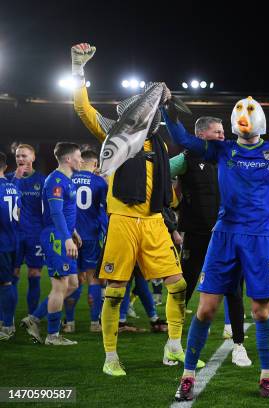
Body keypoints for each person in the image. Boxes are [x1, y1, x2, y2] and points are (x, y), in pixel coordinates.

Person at [162, 91, 269, 400]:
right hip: (225, 235)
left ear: (259, 119)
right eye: (240, 110)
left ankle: (266, 377)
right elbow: (182, 136)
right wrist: (169, 108)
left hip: (260, 238)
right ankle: (188, 375)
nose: (244, 114)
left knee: (261, 312)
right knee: (206, 310)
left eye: (250, 110)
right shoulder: (222, 149)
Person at [70, 42, 198, 376]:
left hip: (154, 222)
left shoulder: (159, 142)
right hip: (123, 221)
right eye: (148, 110)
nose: (151, 115)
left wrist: (171, 222)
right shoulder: (114, 132)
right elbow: (83, 109)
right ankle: (110, 356)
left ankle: (173, 347)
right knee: (114, 289)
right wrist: (78, 70)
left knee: (178, 285)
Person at [171, 117, 251, 366]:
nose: (222, 135)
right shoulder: (185, 159)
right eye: (218, 131)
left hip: (227, 235)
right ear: (202, 135)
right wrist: (170, 221)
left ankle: (237, 341)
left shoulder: (227, 156)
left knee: (235, 288)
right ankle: (174, 342)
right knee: (186, 284)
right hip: (197, 233)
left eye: (223, 131)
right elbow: (158, 176)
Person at [21, 143, 82, 345]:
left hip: (63, 234)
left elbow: (62, 211)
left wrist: (73, 232)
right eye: (78, 157)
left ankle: (34, 319)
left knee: (73, 284)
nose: (81, 160)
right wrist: (66, 238)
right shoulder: (55, 180)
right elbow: (55, 213)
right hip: (56, 238)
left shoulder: (66, 180)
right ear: (68, 159)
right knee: (60, 285)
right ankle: (53, 336)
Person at [62, 149, 108, 333]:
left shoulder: (69, 179)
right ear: (95, 164)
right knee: (93, 279)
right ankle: (95, 323)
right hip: (91, 237)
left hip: (70, 237)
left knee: (73, 279)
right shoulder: (99, 182)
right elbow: (104, 212)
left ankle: (69, 323)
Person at [9, 144, 46, 315]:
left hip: (35, 235)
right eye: (18, 156)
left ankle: (32, 317)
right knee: (12, 276)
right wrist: (16, 179)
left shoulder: (42, 181)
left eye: (24, 156)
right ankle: (7, 320)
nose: (20, 159)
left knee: (34, 274)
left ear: (33, 158)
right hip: (14, 235)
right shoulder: (9, 179)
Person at [0, 152, 19, 340]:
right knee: (8, 282)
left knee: (5, 283)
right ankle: (5, 321)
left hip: (2, 244)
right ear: (5, 167)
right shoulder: (13, 188)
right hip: (13, 240)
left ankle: (7, 326)